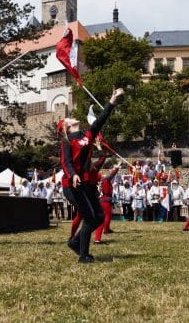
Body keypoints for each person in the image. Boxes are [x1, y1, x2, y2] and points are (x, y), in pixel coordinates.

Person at [61, 88, 124, 263]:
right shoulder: (66, 140)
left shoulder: (86, 135)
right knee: (89, 217)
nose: (72, 117)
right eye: (68, 119)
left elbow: (99, 122)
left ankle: (75, 242)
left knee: (100, 217)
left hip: (86, 184)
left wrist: (112, 101)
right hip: (72, 185)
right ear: (66, 126)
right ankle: (83, 255)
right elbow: (66, 162)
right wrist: (73, 175)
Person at [94, 162, 121, 244]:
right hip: (105, 200)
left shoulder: (101, 181)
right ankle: (100, 236)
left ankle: (106, 230)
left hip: (102, 200)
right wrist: (116, 168)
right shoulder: (105, 180)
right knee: (106, 217)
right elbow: (111, 175)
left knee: (107, 216)